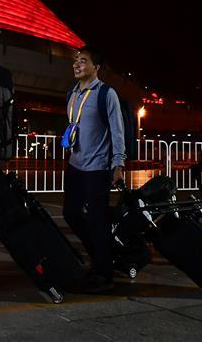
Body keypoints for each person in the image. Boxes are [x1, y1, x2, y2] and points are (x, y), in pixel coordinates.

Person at [62, 47, 125, 293]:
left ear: (96, 67)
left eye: (83, 61)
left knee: (97, 220)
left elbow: (117, 130)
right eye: (75, 60)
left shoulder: (106, 94)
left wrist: (118, 163)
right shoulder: (72, 93)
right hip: (75, 164)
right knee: (71, 214)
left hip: (97, 167)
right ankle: (101, 257)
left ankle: (104, 273)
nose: (77, 64)